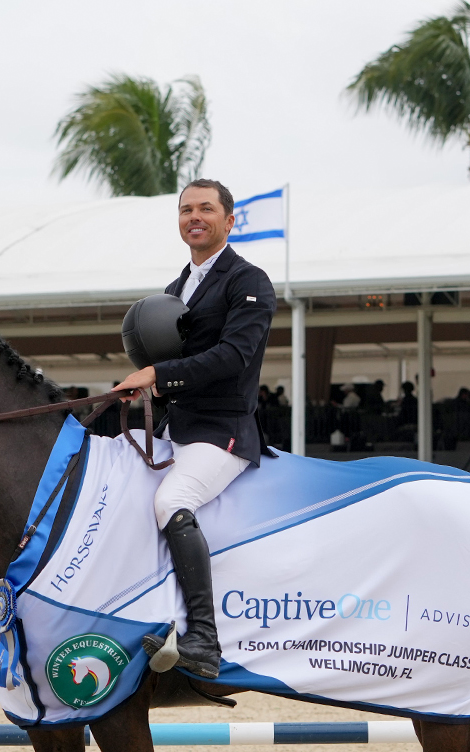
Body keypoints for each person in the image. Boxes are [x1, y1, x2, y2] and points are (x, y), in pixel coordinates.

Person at [110, 179, 276, 678]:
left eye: (206, 209)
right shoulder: (175, 289)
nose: (194, 217)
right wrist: (144, 390)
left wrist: (158, 375)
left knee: (169, 501)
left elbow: (233, 356)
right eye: (186, 210)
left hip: (223, 431)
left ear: (229, 220)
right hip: (176, 428)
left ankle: (204, 636)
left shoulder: (249, 281)